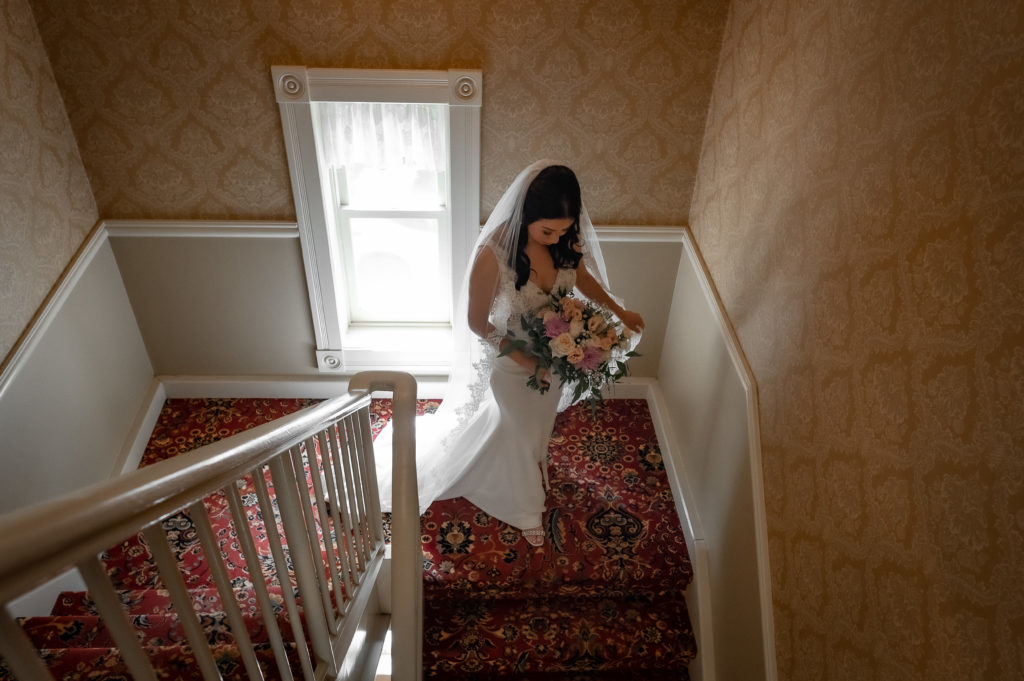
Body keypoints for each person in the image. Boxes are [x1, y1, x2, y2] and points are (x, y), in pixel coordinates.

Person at [375, 161, 644, 547]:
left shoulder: (565, 243)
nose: (556, 238)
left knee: (534, 424)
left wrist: (619, 312)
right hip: (513, 359)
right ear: (526, 215)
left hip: (557, 355)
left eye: (564, 231)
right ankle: (522, 505)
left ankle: (523, 461)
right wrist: (526, 360)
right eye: (547, 230)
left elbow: (582, 279)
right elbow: (476, 322)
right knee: (517, 425)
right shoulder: (494, 254)